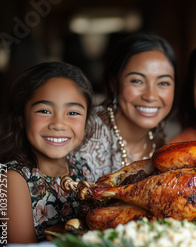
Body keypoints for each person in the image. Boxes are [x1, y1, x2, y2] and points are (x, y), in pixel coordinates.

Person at [0, 62, 94, 247]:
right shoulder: (13, 179)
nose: (58, 124)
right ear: (21, 117)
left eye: (72, 113)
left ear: (86, 120)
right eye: (44, 111)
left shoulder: (82, 168)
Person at [71, 33, 176, 182]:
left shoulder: (167, 138)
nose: (151, 96)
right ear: (114, 84)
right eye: (137, 81)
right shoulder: (85, 133)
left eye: (163, 83)